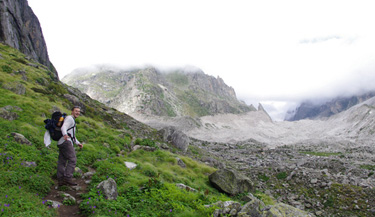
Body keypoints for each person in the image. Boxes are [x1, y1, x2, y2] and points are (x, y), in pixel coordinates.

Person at [57, 106, 83, 186]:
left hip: (61, 142)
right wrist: (65, 134)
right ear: (72, 111)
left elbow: (72, 136)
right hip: (66, 142)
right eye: (76, 111)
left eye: (79, 111)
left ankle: (60, 179)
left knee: (62, 161)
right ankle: (67, 178)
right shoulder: (70, 118)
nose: (78, 112)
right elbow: (64, 127)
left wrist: (77, 143)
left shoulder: (71, 119)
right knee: (73, 159)